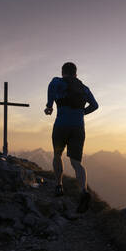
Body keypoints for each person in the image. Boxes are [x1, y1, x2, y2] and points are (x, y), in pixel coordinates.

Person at [44, 62, 99, 213]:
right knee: (76, 163)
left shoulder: (57, 82)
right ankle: (84, 192)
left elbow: (50, 97)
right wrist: (82, 113)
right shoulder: (84, 88)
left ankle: (59, 186)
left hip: (61, 126)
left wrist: (49, 106)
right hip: (78, 128)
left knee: (57, 155)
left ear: (63, 72)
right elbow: (95, 105)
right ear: (76, 73)